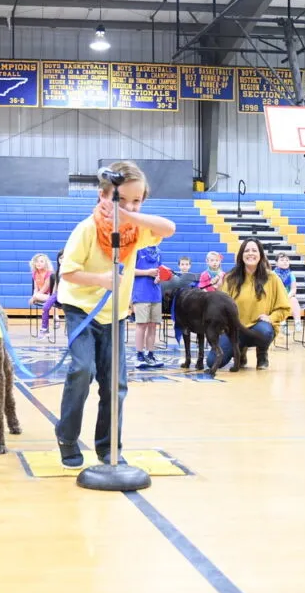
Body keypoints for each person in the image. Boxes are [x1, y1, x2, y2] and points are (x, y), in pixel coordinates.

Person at [55, 161, 177, 468]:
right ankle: (67, 438)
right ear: (104, 195)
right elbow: (67, 272)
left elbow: (168, 228)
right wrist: (98, 280)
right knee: (83, 370)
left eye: (137, 200)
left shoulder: (136, 231)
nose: (129, 205)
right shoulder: (86, 229)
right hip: (81, 309)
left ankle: (108, 446)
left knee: (115, 385)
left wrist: (129, 215)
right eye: (122, 199)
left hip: (116, 315)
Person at [206, 238, 291, 371]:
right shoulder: (230, 277)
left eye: (254, 250)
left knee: (265, 331)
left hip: (259, 327)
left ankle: (262, 354)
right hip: (234, 329)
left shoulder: (273, 278)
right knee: (212, 362)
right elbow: (221, 307)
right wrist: (217, 290)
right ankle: (240, 351)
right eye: (246, 250)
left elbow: (285, 307)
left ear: (261, 255)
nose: (250, 253)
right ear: (241, 255)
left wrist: (271, 318)